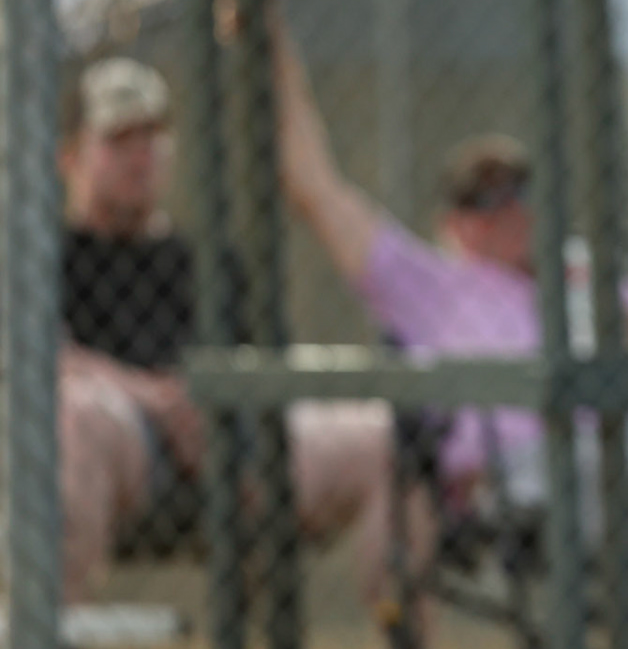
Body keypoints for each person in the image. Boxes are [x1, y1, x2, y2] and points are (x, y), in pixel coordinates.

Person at [270, 20, 628, 575]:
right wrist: (273, 46)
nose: (508, 210)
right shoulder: (430, 285)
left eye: (519, 191)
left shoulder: (582, 273)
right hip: (531, 466)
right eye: (483, 199)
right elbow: (315, 186)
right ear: (453, 222)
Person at [56, 57, 395, 606]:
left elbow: (267, 362)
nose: (142, 157)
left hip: (228, 439)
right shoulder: (45, 258)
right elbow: (37, 358)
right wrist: (155, 400)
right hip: (127, 433)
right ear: (70, 156)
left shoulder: (209, 262)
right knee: (76, 413)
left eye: (154, 138)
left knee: (388, 436)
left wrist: (219, 406)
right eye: (119, 140)